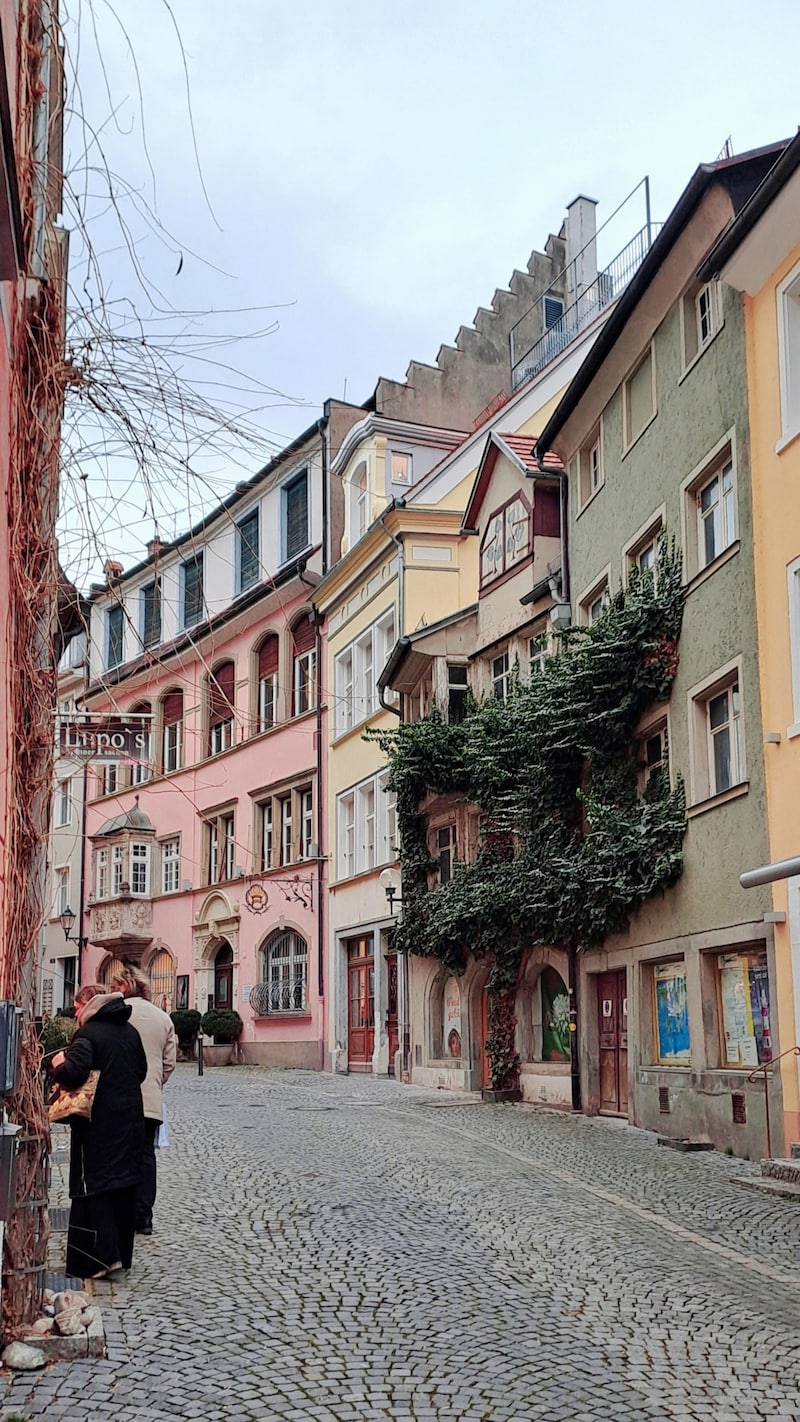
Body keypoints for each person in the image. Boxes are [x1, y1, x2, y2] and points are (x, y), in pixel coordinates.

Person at [50, 983, 147, 1280]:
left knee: (94, 1185)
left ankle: (101, 1257)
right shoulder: (129, 1031)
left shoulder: (88, 1034)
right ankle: (121, 1252)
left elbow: (74, 1072)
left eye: (78, 1006)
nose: (76, 1012)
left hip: (97, 1124)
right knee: (123, 1184)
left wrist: (58, 1065)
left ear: (89, 1006)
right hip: (130, 1119)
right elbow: (141, 1070)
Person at [110, 965, 177, 1236]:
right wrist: (154, 1084)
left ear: (124, 987)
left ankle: (120, 1212)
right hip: (150, 1099)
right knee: (146, 1155)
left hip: (118, 1098)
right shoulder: (163, 1018)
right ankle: (143, 1216)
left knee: (119, 1154)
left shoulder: (117, 1015)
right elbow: (169, 1063)